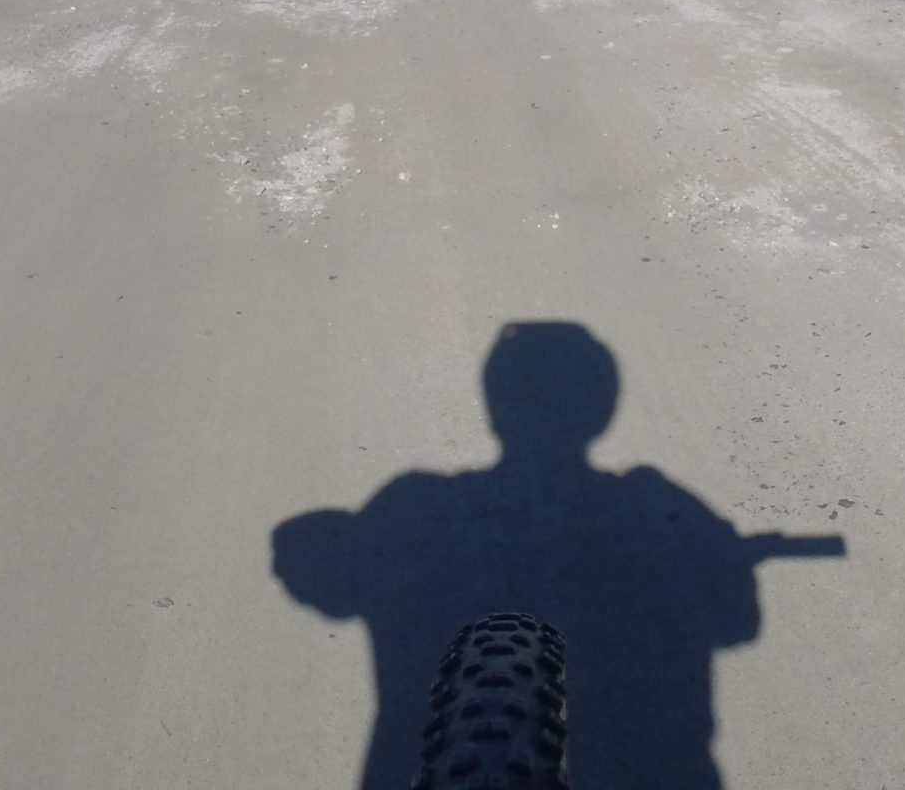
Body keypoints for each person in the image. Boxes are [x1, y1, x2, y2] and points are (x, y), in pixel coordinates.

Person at [272, 324, 829, 790]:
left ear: (494, 409)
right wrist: (721, 553)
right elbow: (737, 622)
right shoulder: (655, 505)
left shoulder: (411, 505)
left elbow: (326, 583)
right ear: (602, 412)